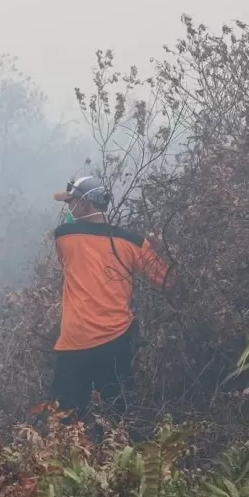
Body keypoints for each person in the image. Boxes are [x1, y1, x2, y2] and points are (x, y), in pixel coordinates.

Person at [48, 175, 175, 432]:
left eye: (71, 202)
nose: (68, 208)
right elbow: (168, 281)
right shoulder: (133, 243)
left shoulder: (63, 237)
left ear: (84, 205)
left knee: (64, 422)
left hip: (75, 343)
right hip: (117, 342)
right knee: (120, 417)